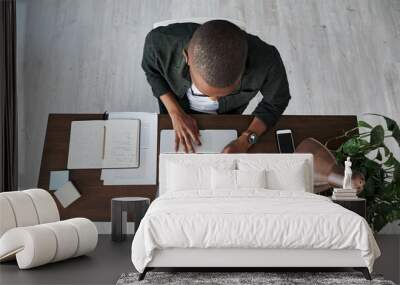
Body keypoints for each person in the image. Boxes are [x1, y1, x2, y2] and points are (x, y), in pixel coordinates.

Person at [142, 20, 291, 153]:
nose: (213, 99)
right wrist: (175, 111)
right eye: (205, 92)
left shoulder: (267, 60)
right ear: (187, 57)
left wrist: (246, 140)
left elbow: (277, 101)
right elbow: (152, 71)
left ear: (244, 69)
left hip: (228, 117)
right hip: (174, 107)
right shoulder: (159, 42)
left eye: (225, 94)